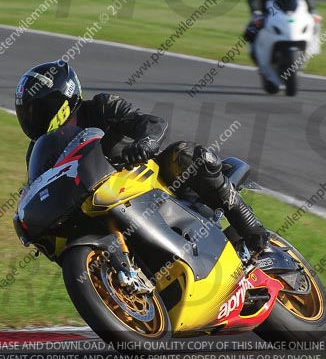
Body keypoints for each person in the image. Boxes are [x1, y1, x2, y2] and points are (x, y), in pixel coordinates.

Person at [14, 60, 269, 256]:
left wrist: (145, 142)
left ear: (62, 99)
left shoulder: (101, 107)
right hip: (93, 203)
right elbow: (39, 188)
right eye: (26, 113)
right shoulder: (36, 152)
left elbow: (149, 122)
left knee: (187, 155)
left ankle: (250, 227)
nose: (31, 119)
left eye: (38, 111)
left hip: (143, 179)